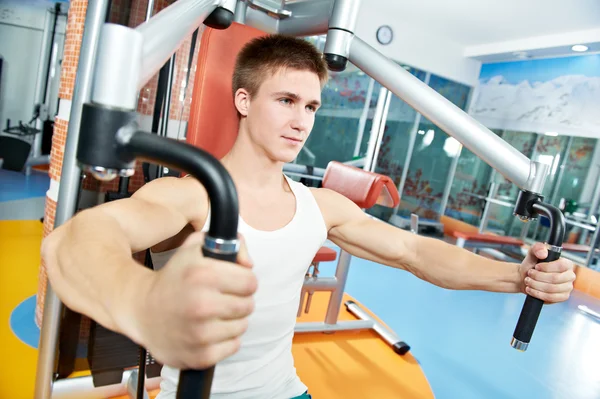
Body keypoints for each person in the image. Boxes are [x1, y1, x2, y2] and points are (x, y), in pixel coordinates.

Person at [42, 34, 576, 399]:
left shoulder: (319, 205)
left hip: (285, 389)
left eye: (312, 107)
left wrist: (519, 278)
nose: (301, 121)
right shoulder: (195, 195)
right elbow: (76, 242)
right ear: (245, 100)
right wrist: (146, 304)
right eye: (286, 101)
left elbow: (415, 252)